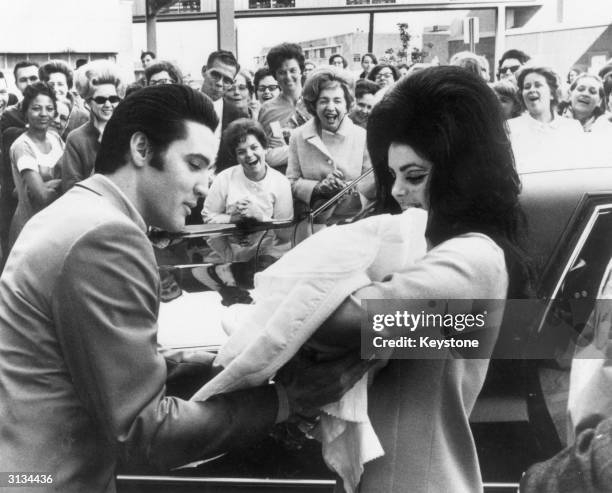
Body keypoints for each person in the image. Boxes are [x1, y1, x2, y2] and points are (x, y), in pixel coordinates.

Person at [0, 84, 370, 493]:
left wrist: (205, 367)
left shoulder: (75, 213)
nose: (202, 185)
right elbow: (144, 429)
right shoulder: (107, 236)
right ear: (141, 148)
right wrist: (286, 396)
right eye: (194, 164)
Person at [317, 66, 528, 493]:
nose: (396, 190)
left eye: (414, 176)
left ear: (461, 173)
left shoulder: (474, 259)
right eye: (391, 174)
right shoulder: (425, 252)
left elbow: (337, 323)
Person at [286, 67, 374, 230]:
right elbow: (291, 182)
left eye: (337, 101)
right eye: (323, 101)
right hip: (312, 225)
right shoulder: (298, 136)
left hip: (353, 224)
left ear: (347, 104)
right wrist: (319, 188)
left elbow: (370, 184)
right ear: (313, 105)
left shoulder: (363, 136)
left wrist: (343, 190)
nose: (330, 107)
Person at [203, 118, 293, 261]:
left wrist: (260, 217)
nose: (249, 155)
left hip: (270, 255)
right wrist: (234, 218)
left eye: (254, 147)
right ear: (236, 156)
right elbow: (208, 218)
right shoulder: (224, 178)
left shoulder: (281, 182)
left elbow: (285, 233)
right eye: (241, 151)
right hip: (230, 253)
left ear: (264, 148)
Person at [8, 82, 64, 248]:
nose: (44, 114)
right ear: (25, 112)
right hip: (30, 228)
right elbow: (42, 197)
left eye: (49, 108)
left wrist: (50, 184)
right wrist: (65, 183)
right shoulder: (22, 146)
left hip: (56, 226)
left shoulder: (56, 138)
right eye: (36, 108)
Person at [59, 60, 125, 193]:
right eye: (100, 100)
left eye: (113, 99)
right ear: (88, 102)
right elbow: (70, 187)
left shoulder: (128, 133)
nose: (107, 104)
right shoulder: (76, 138)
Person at [507, 65, 583, 172]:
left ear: (552, 94)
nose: (531, 90)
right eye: (527, 87)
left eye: (538, 85)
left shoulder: (572, 127)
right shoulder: (510, 127)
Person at [258, 42, 311, 172]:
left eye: (293, 70)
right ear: (275, 75)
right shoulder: (267, 110)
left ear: (301, 71)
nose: (288, 77)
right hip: (281, 178)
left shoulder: (315, 102)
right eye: (282, 72)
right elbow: (264, 153)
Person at [38, 60, 89, 140]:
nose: (55, 89)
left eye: (60, 84)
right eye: (51, 85)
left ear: (68, 87)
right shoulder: (37, 111)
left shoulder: (83, 117)